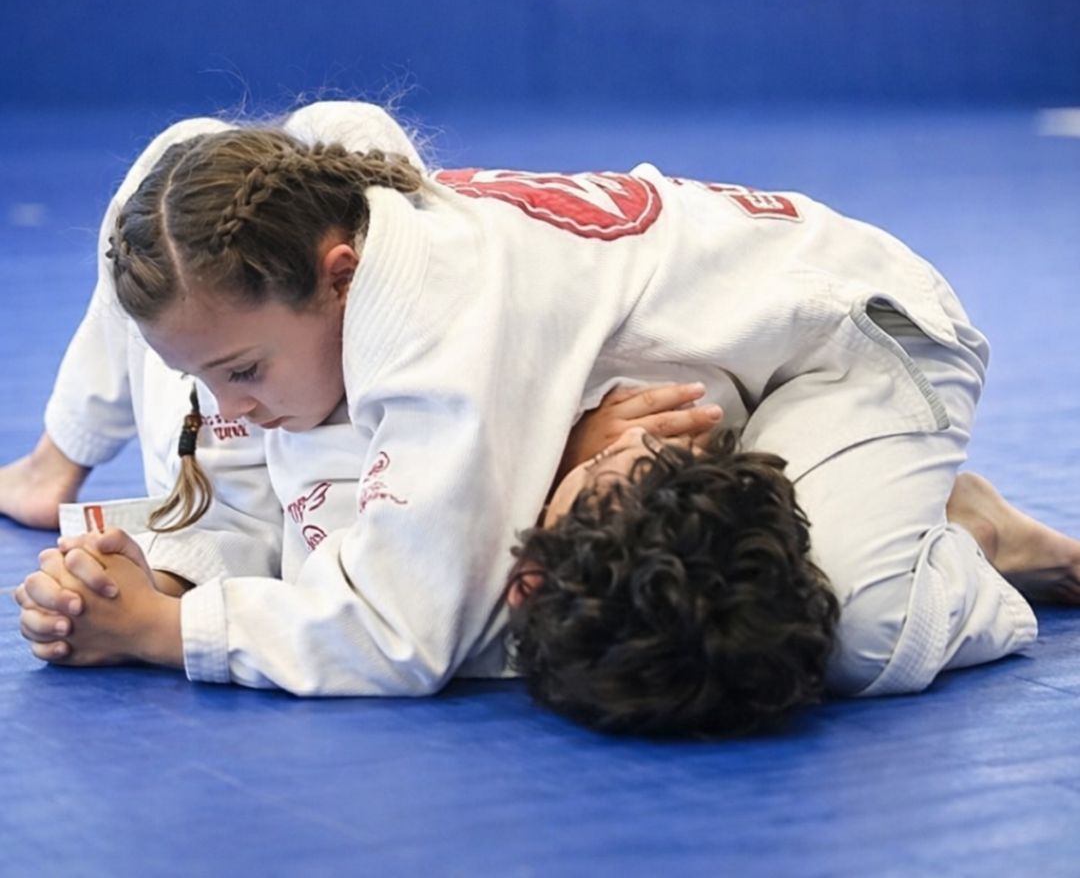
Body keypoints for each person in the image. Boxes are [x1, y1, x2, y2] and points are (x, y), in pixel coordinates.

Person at [14, 103, 1078, 733]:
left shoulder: (442, 345)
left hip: (857, 342)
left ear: (338, 278)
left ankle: (966, 540)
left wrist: (168, 630)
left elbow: (402, 636)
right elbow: (194, 176)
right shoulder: (315, 228)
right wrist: (125, 507)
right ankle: (50, 459)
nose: (228, 407)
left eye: (243, 370)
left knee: (849, 632)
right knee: (185, 235)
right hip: (716, 362)